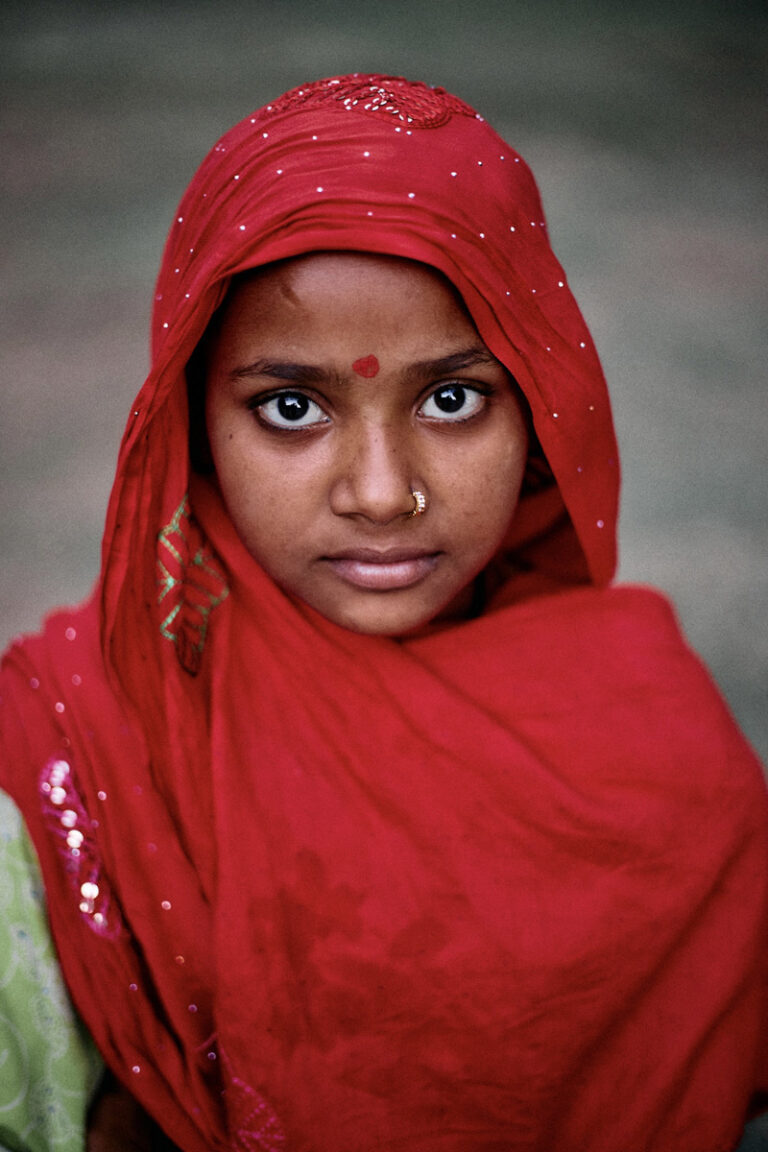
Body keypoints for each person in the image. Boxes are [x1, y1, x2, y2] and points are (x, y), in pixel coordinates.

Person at [1, 73, 766, 1152]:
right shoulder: (63, 761)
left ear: (544, 405)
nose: (378, 492)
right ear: (187, 417)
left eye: (453, 398)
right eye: (291, 407)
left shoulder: (667, 765)